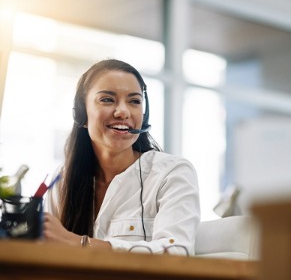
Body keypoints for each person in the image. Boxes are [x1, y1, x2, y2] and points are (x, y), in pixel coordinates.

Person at [43, 59, 200, 255]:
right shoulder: (62, 180)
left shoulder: (171, 173)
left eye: (134, 101)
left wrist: (80, 243)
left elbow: (177, 253)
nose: (123, 112)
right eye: (107, 99)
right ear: (82, 115)